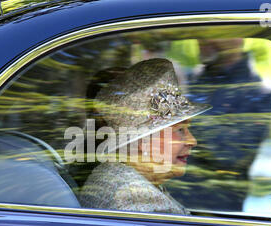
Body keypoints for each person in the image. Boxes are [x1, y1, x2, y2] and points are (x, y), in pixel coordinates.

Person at [79, 58, 211, 215]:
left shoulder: (128, 179)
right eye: (180, 130)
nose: (192, 141)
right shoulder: (134, 196)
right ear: (144, 140)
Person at [173, 38, 271, 211]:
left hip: (212, 218)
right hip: (167, 210)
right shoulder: (190, 79)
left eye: (211, 34)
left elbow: (229, 156)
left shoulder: (259, 92)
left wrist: (182, 100)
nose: (200, 40)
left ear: (236, 38)